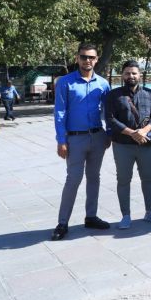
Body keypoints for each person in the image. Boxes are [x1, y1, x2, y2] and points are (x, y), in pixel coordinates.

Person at [51, 44, 112, 241]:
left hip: (97, 137)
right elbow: (60, 112)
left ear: (96, 59)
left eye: (91, 57)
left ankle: (91, 216)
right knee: (73, 179)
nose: (87, 60)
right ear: (77, 58)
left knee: (94, 178)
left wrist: (109, 134)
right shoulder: (65, 82)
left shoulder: (103, 84)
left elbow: (109, 112)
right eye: (84, 57)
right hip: (75, 139)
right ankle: (62, 223)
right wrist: (61, 140)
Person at [106, 60, 151, 229]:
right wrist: (132, 133)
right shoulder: (113, 95)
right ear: (122, 75)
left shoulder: (150, 94)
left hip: (145, 144)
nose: (131, 76)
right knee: (123, 180)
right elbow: (110, 119)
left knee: (148, 178)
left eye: (134, 73)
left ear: (140, 75)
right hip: (122, 145)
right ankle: (126, 215)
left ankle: (149, 211)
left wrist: (144, 131)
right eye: (127, 73)